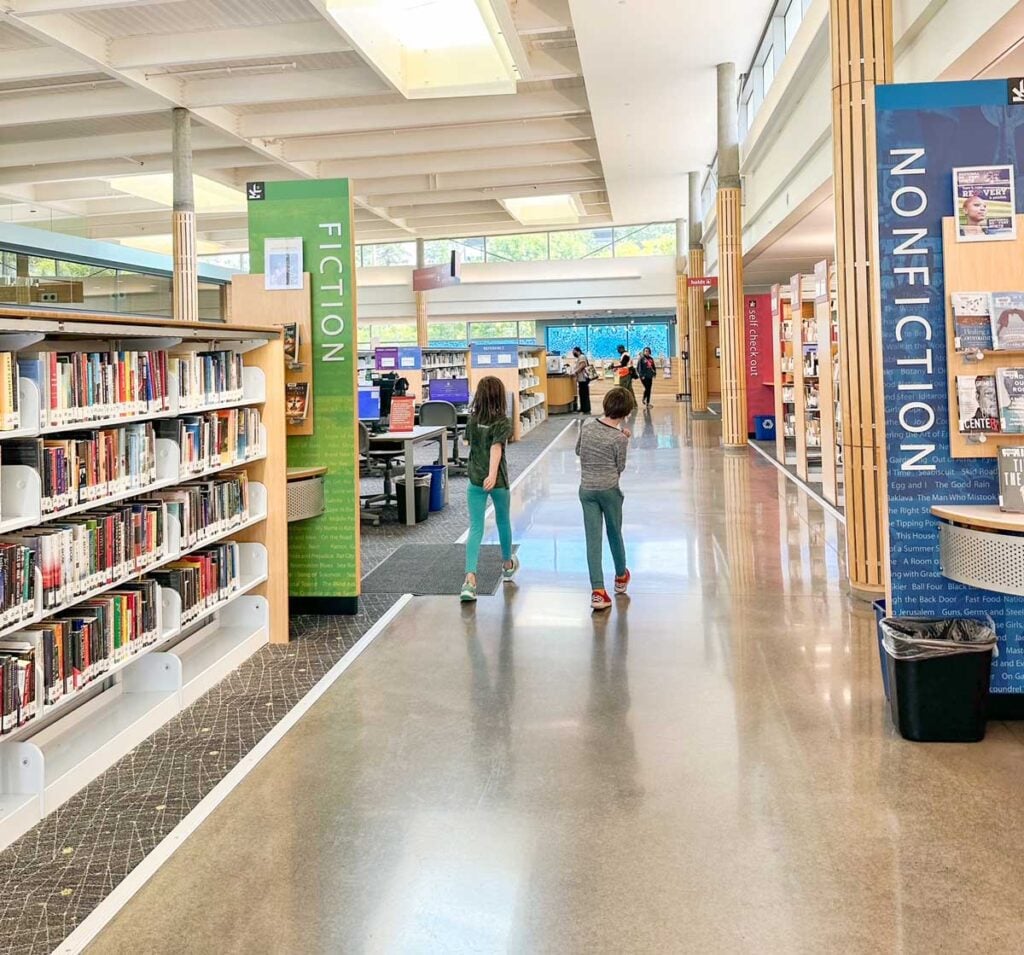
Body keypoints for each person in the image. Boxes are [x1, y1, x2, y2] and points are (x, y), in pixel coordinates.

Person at [576, 386, 635, 611]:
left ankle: (598, 592)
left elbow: (578, 450)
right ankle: (620, 576)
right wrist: (623, 440)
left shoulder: (588, 427)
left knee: (593, 539)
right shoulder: (619, 438)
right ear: (626, 413)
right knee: (614, 532)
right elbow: (620, 466)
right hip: (609, 490)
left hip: (587, 490)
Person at [461, 375, 518, 602]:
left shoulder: (472, 420)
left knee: (476, 527)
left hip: (475, 479)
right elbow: (497, 448)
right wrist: (492, 475)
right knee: (503, 521)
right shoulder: (503, 422)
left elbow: (467, 442)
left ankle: (469, 580)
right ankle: (507, 565)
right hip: (498, 481)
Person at [572, 345, 591, 415]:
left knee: (584, 394)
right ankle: (584, 408)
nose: (573, 353)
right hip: (582, 379)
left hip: (583, 379)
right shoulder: (580, 357)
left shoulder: (582, 357)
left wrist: (576, 372)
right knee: (582, 394)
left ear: (578, 351)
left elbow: (582, 365)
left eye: (574, 352)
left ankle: (585, 409)